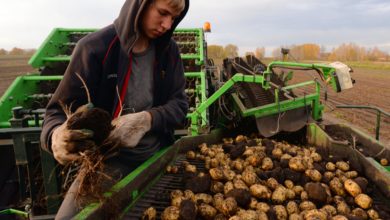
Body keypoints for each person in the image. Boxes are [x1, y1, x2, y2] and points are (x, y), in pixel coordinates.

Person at [40, 0, 189, 218]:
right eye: (163, 13)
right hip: (109, 162)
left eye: (174, 18)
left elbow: (180, 105)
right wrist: (56, 136)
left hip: (158, 154)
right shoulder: (95, 48)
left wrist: (148, 119)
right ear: (141, 5)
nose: (167, 25)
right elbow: (55, 113)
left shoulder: (169, 51)